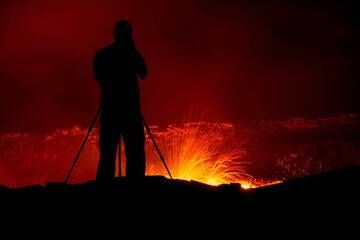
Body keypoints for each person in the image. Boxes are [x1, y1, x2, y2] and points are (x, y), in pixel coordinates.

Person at [93, 20, 148, 182]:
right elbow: (144, 72)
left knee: (107, 156)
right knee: (135, 154)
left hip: (110, 111)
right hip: (130, 112)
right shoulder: (132, 54)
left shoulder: (102, 55)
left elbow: (98, 77)